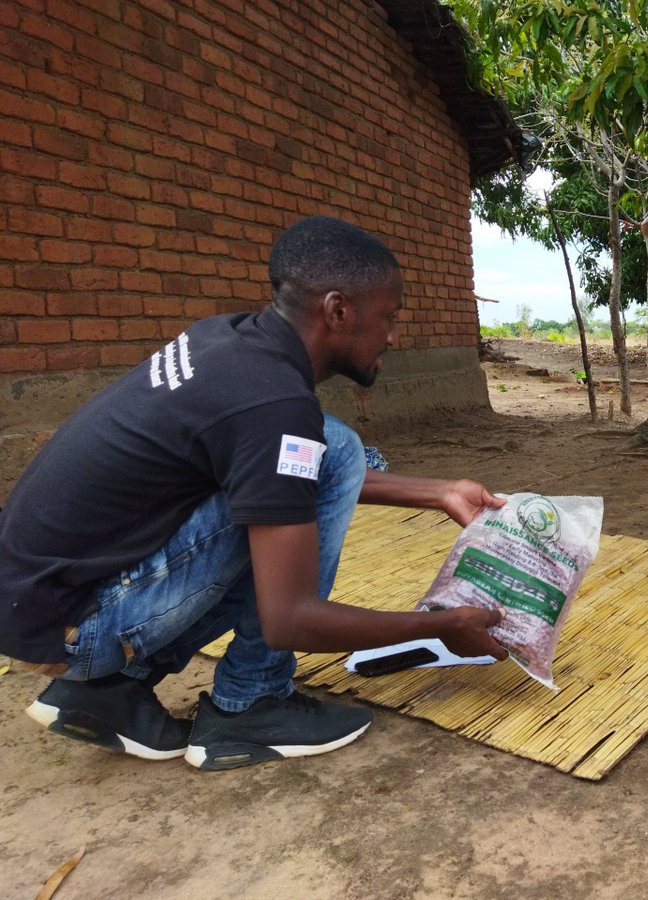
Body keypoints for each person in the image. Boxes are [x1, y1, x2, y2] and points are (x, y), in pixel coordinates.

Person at [0, 216, 509, 771]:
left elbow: (278, 469)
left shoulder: (229, 339)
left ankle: (112, 690)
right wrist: (441, 625)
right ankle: (253, 701)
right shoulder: (273, 408)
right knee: (329, 450)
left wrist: (439, 492)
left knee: (325, 446)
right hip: (79, 626)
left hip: (39, 605)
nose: (393, 337)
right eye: (388, 317)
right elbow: (290, 618)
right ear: (337, 311)